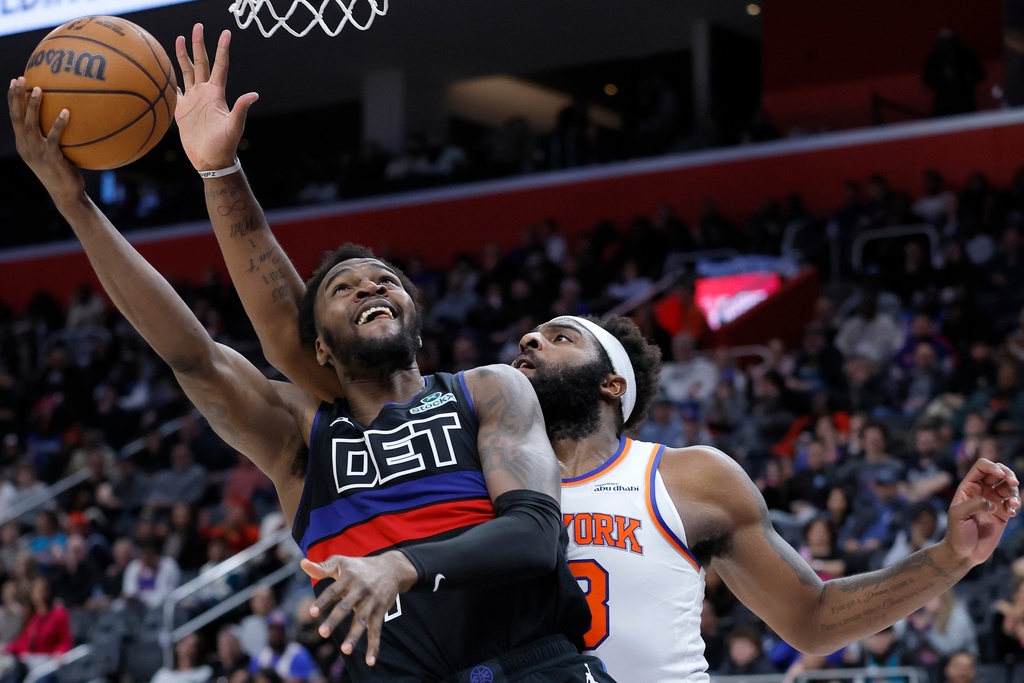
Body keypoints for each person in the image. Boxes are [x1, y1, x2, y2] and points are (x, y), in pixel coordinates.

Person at [171, 25, 1023, 683]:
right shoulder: (463, 448)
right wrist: (220, 176)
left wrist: (949, 557)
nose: (530, 341)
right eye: (527, 336)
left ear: (613, 381)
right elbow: (298, 338)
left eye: (561, 335)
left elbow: (815, 616)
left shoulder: (688, 477)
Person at [10, 61, 613, 683]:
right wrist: (74, 203)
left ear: (417, 321)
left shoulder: (488, 388)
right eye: (343, 290)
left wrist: (399, 565)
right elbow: (192, 353)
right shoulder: (300, 435)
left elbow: (536, 537)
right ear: (319, 349)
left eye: (384, 280)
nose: (368, 288)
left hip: (536, 665)